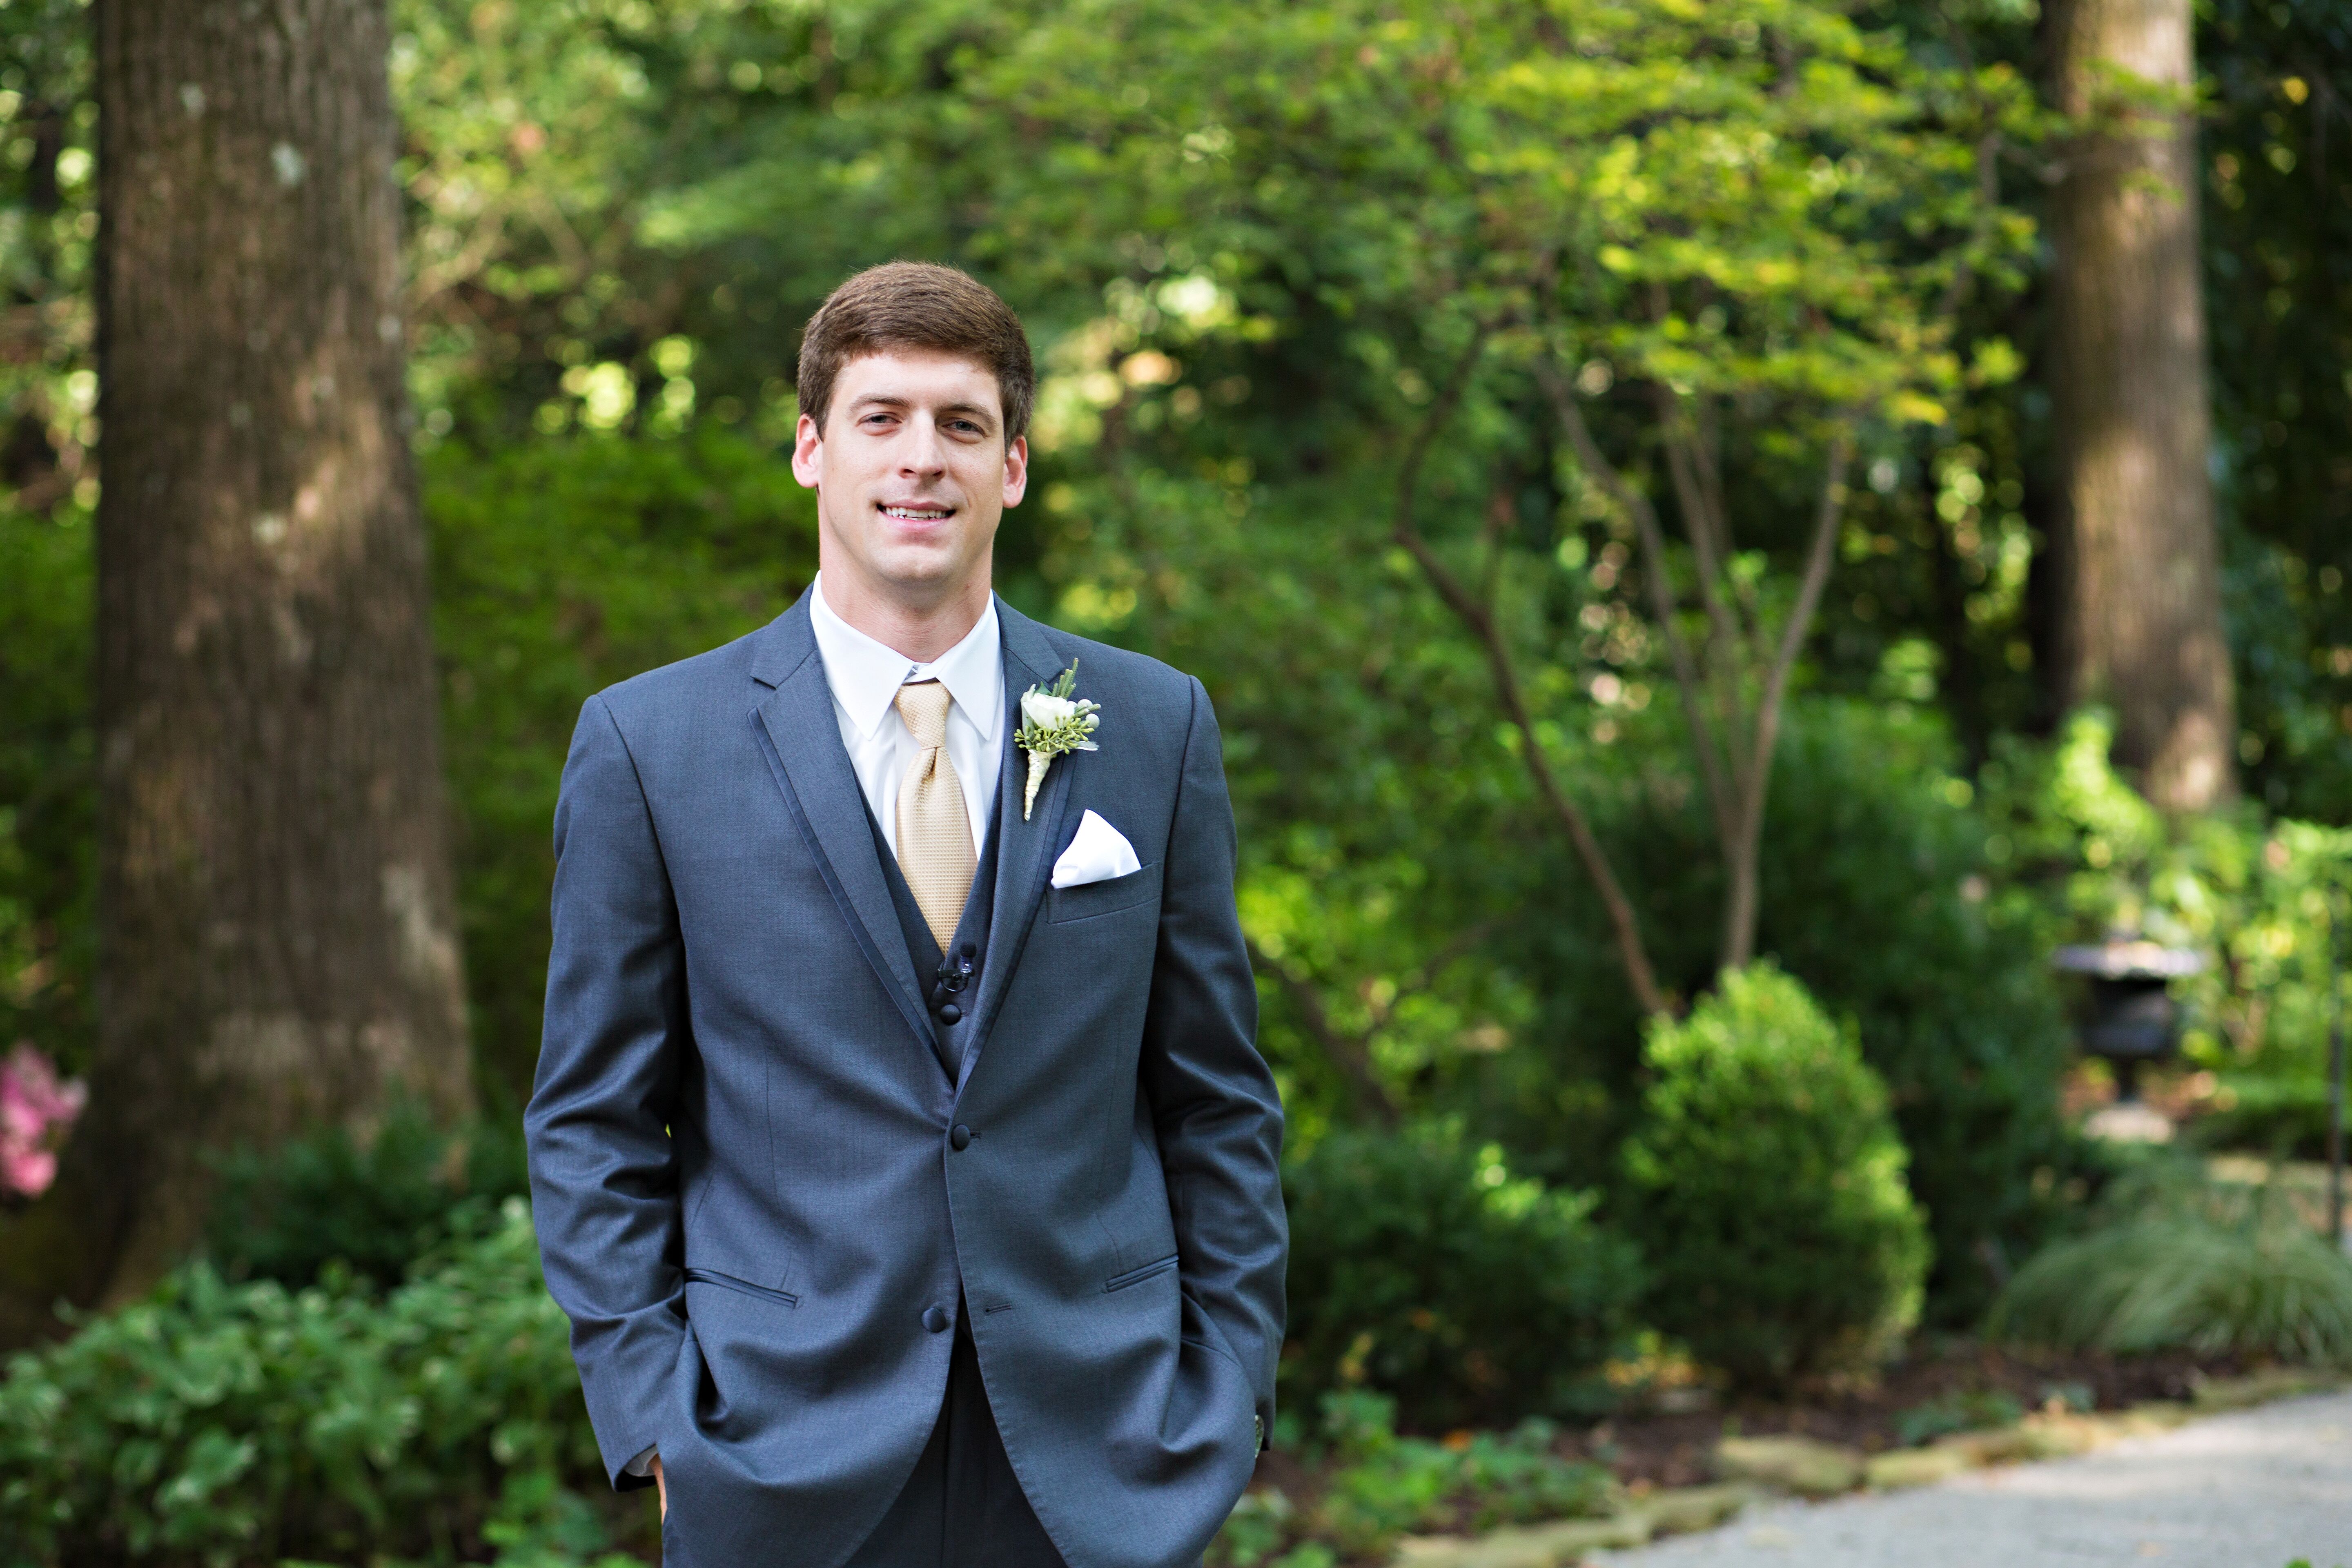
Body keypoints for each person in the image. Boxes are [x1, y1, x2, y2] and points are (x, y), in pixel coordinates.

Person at [525, 261, 1287, 1568]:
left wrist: (1231, 1389)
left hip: (1105, 1454)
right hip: (776, 1450)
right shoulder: (650, 745)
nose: (922, 460)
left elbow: (1217, 1095)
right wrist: (656, 1418)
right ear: (812, 449)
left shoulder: (1154, 727)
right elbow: (591, 1120)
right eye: (882, 419)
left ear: (1018, 466)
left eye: (962, 424)